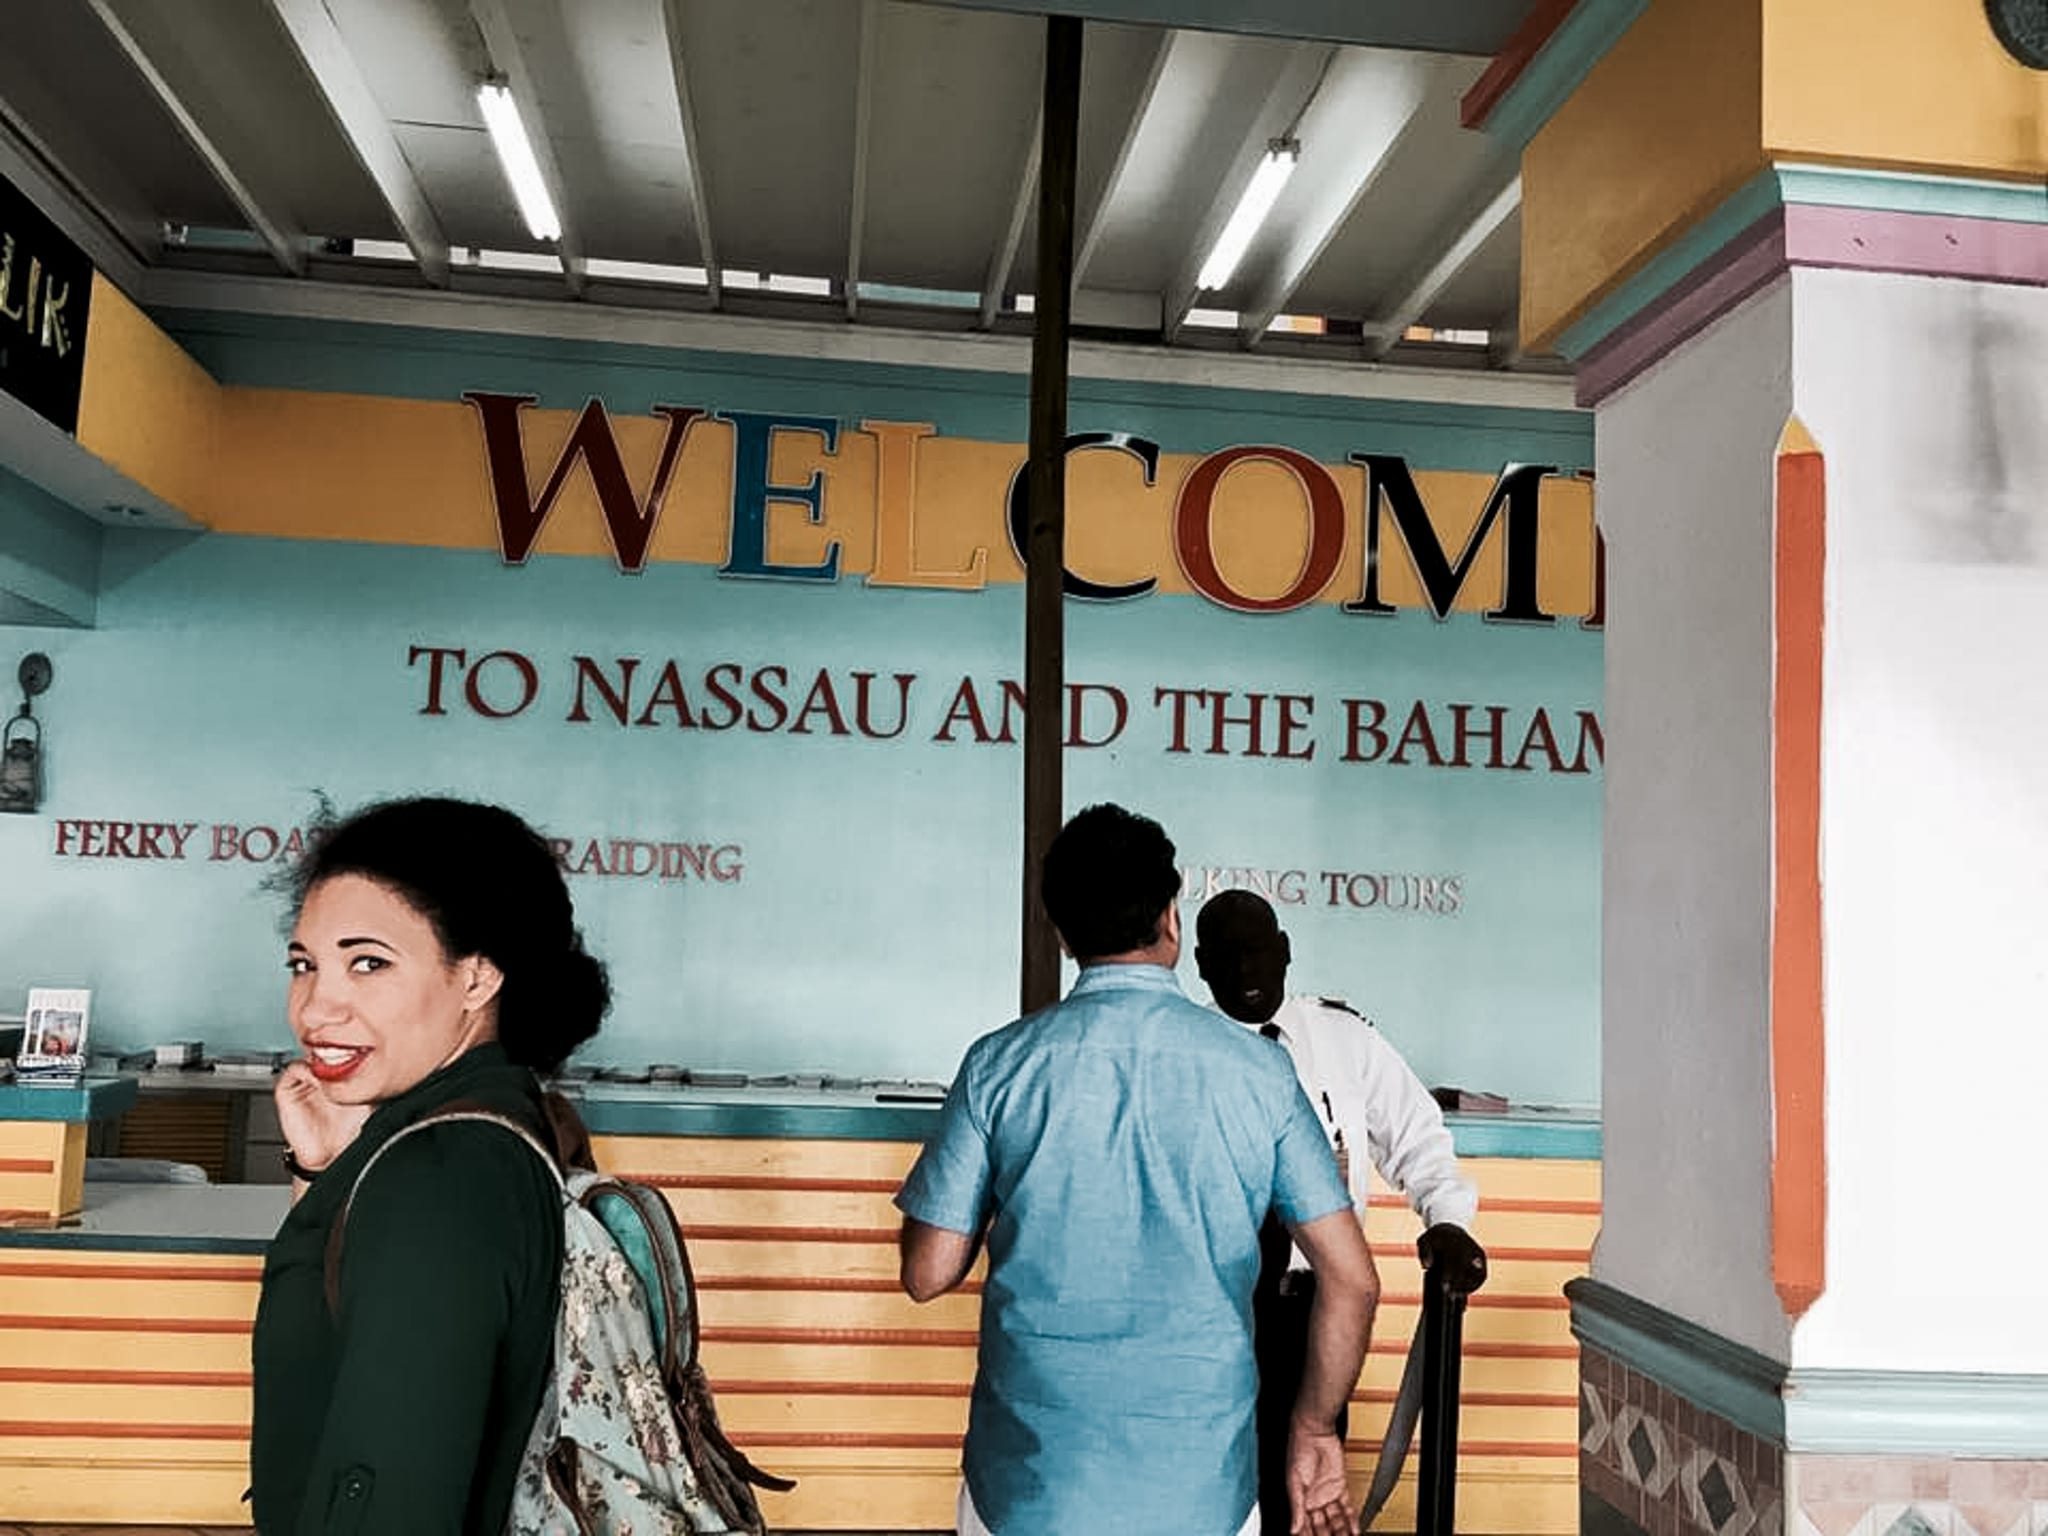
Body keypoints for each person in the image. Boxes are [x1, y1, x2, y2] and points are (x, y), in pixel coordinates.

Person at [895, 804, 1379, 1536]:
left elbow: (927, 1272)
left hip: (1027, 1487)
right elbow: (1353, 1279)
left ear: (1062, 934)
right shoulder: (1259, 1073)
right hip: (1203, 1491)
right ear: (1170, 918)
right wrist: (1312, 1428)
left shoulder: (998, 1066)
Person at [250, 796, 610, 1534]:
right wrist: (325, 1171)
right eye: (304, 965)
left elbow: (387, 1486)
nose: (315, 1008)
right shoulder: (490, 1120)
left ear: (477, 979)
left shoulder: (440, 1175)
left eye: (369, 964)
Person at [1193, 889, 1485, 1536]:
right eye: (1227, 957)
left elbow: (1417, 1138)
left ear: (1285, 951)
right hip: (1213, 1314)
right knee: (1216, 1499)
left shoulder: (1342, 1039)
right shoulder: (1185, 1052)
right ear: (1201, 966)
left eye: (1258, 952)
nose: (1245, 970)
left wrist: (1446, 1219)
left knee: (1305, 1497)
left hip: (1315, 1314)